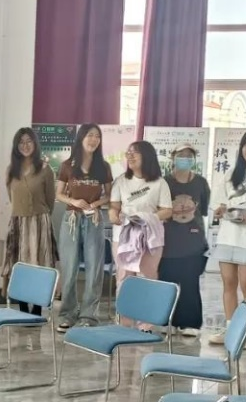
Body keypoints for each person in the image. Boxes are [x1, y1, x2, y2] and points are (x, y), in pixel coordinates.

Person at [208, 129, 246, 346]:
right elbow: (218, 200)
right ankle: (230, 329)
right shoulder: (231, 173)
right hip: (228, 236)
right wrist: (220, 209)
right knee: (228, 283)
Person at [56, 124, 113, 332]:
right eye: (90, 135)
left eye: (97, 136)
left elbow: (110, 195)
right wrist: (74, 201)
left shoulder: (103, 167)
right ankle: (67, 314)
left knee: (94, 267)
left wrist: (95, 204)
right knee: (69, 267)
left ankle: (89, 315)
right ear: (81, 138)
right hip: (71, 219)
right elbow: (58, 194)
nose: (93, 139)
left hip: (94, 219)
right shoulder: (67, 165)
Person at [110, 141, 173, 329]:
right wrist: (113, 215)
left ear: (147, 156)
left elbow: (167, 210)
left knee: (148, 277)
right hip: (123, 236)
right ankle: (124, 321)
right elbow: (114, 206)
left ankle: (146, 323)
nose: (130, 156)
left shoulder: (159, 183)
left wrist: (146, 218)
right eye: (128, 152)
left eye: (135, 153)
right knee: (124, 278)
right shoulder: (121, 181)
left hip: (150, 237)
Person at [2, 127, 56, 315]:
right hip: (18, 223)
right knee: (20, 265)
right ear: (16, 146)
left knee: (38, 265)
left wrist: (39, 217)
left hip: (39, 222)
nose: (25, 145)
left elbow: (50, 200)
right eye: (21, 142)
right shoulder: (11, 170)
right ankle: (23, 307)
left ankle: (37, 308)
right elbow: (12, 197)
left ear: (35, 144)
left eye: (29, 141)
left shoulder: (45, 169)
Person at [159, 145, 212, 337]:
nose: (185, 159)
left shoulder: (201, 182)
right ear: (172, 158)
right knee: (167, 281)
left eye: (189, 156)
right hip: (168, 240)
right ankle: (165, 320)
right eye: (181, 155)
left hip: (192, 240)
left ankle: (190, 323)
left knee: (190, 282)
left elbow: (203, 209)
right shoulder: (164, 182)